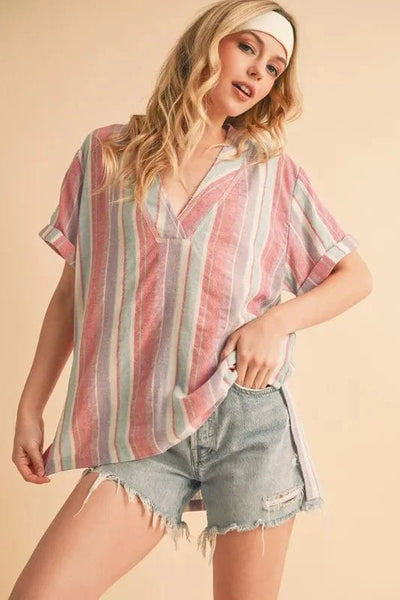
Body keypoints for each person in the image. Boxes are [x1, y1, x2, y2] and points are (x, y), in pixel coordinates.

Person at [10, 1, 372, 598]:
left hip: (248, 425)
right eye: (248, 48)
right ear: (209, 43)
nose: (258, 73)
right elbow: (74, 293)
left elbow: (354, 276)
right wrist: (31, 407)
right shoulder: (106, 154)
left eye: (274, 67)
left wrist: (275, 323)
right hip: (139, 425)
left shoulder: (271, 174)